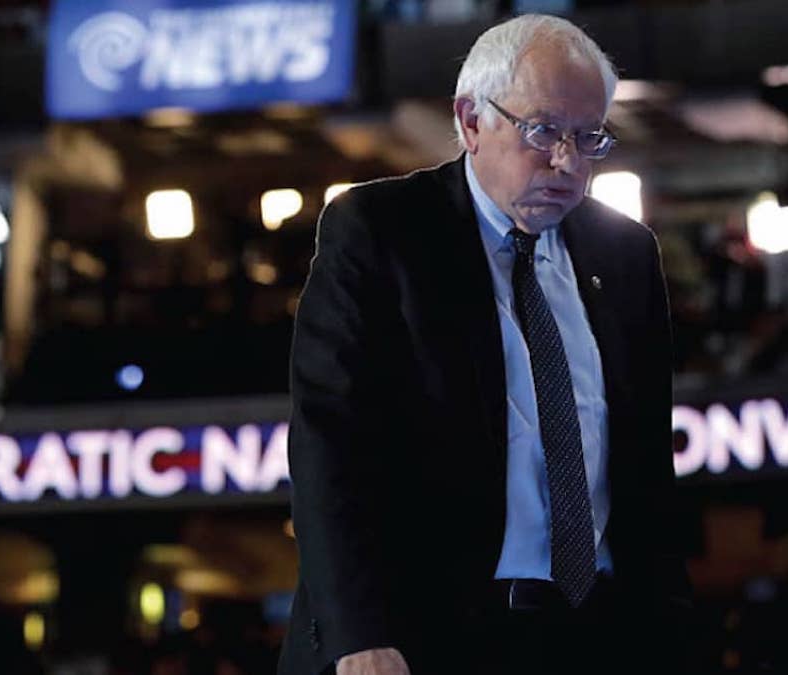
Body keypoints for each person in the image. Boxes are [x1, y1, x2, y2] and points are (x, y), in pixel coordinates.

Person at [280, 14, 693, 675]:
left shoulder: (627, 255)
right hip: (425, 637)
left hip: (599, 634)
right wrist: (359, 632)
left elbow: (644, 469)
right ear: (471, 120)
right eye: (544, 131)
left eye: (589, 138)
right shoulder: (381, 232)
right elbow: (331, 444)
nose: (567, 161)